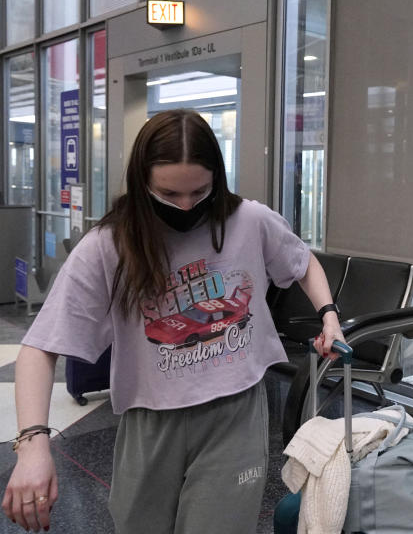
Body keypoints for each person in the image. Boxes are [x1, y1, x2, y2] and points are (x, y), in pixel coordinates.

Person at [2, 110, 346, 534]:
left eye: (199, 192)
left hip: (235, 414)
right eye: (168, 194)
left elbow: (302, 261)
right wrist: (33, 445)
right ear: (142, 181)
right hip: (151, 422)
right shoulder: (108, 245)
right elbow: (41, 346)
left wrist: (328, 314)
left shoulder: (250, 220)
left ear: (216, 178)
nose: (185, 206)